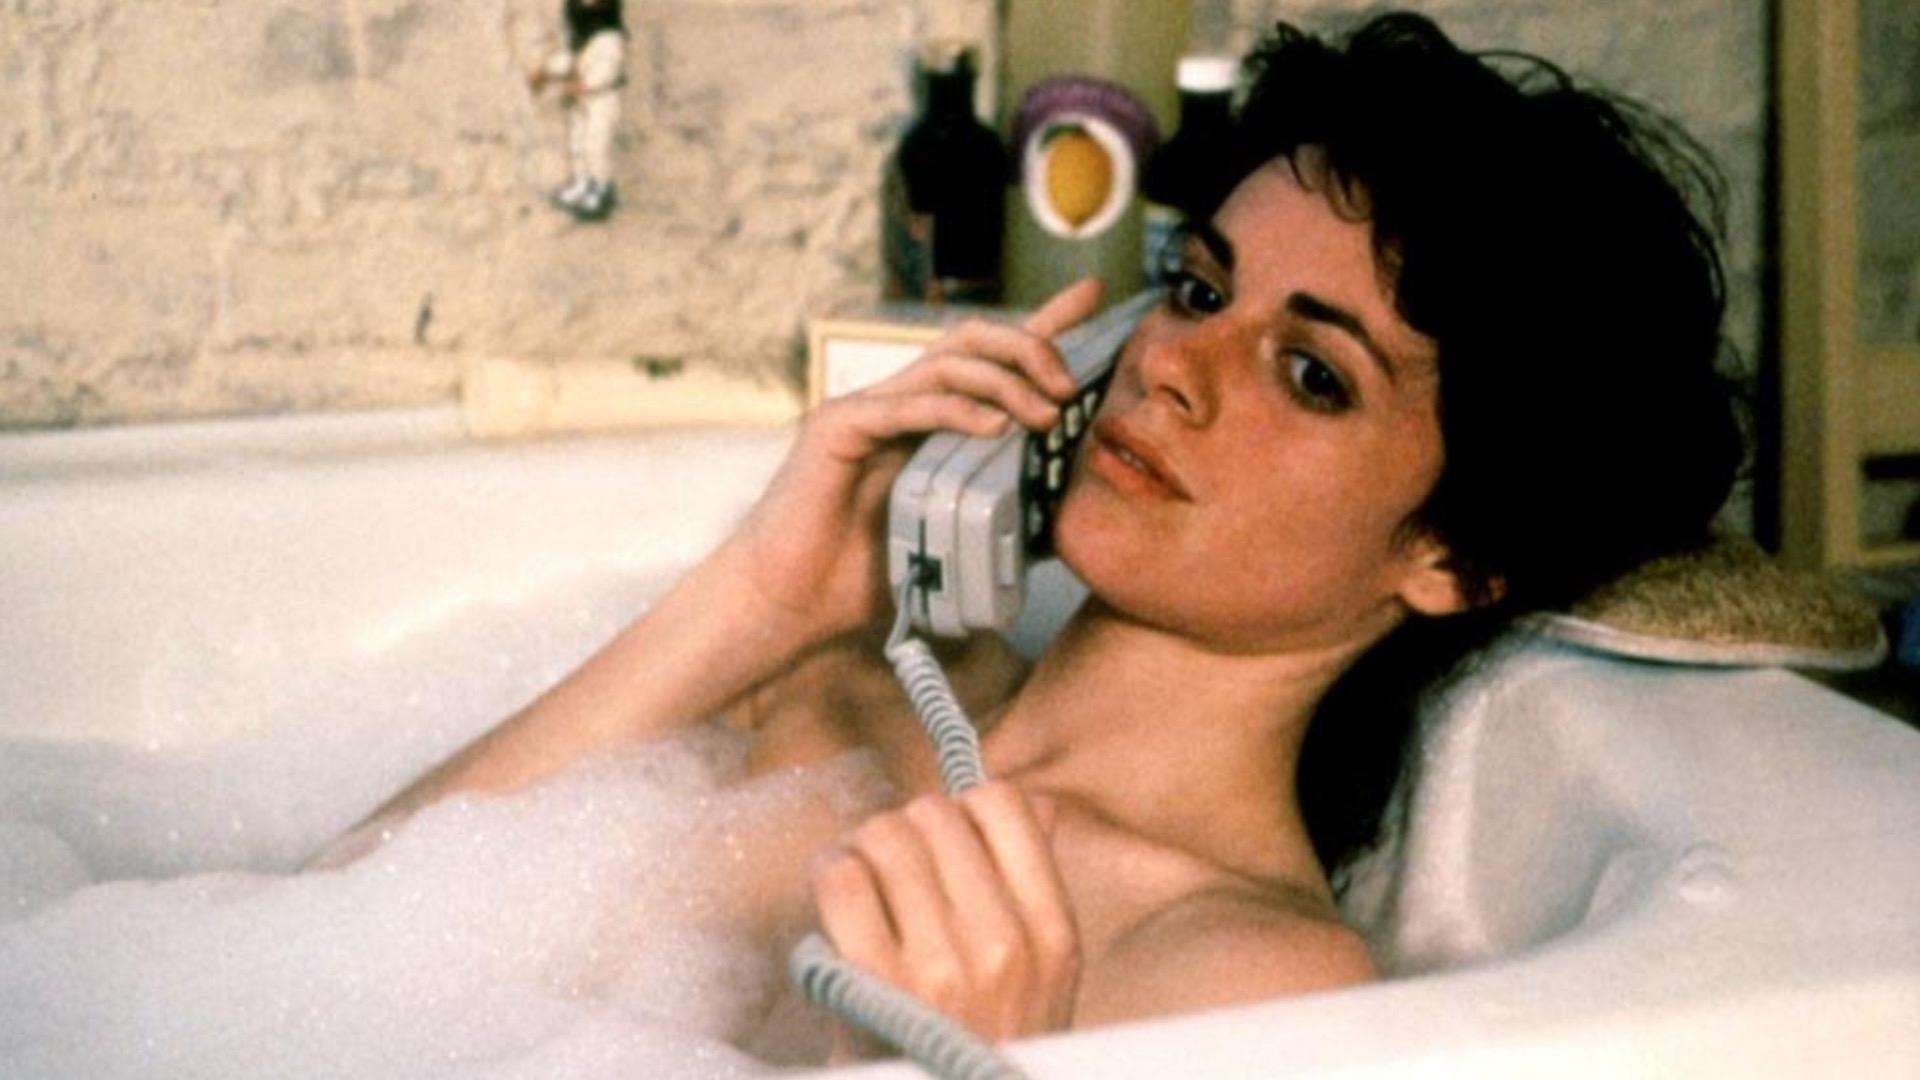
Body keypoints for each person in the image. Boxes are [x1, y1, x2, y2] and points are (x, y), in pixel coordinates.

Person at [327, 10, 1743, 1061]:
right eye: (1198, 290)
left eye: (1313, 375)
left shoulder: (1243, 971)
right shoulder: (833, 676)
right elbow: (321, 938)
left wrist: (952, 1062)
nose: (1174, 365)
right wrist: (758, 597)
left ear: (1452, 558)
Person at [529, 0, 627, 221]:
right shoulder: (581, 41)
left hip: (603, 101)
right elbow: (569, 61)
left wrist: (586, 84)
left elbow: (609, 69)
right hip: (582, 102)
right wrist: (546, 70)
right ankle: (582, 183)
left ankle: (601, 190)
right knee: (578, 142)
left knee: (597, 145)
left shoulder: (611, 39)